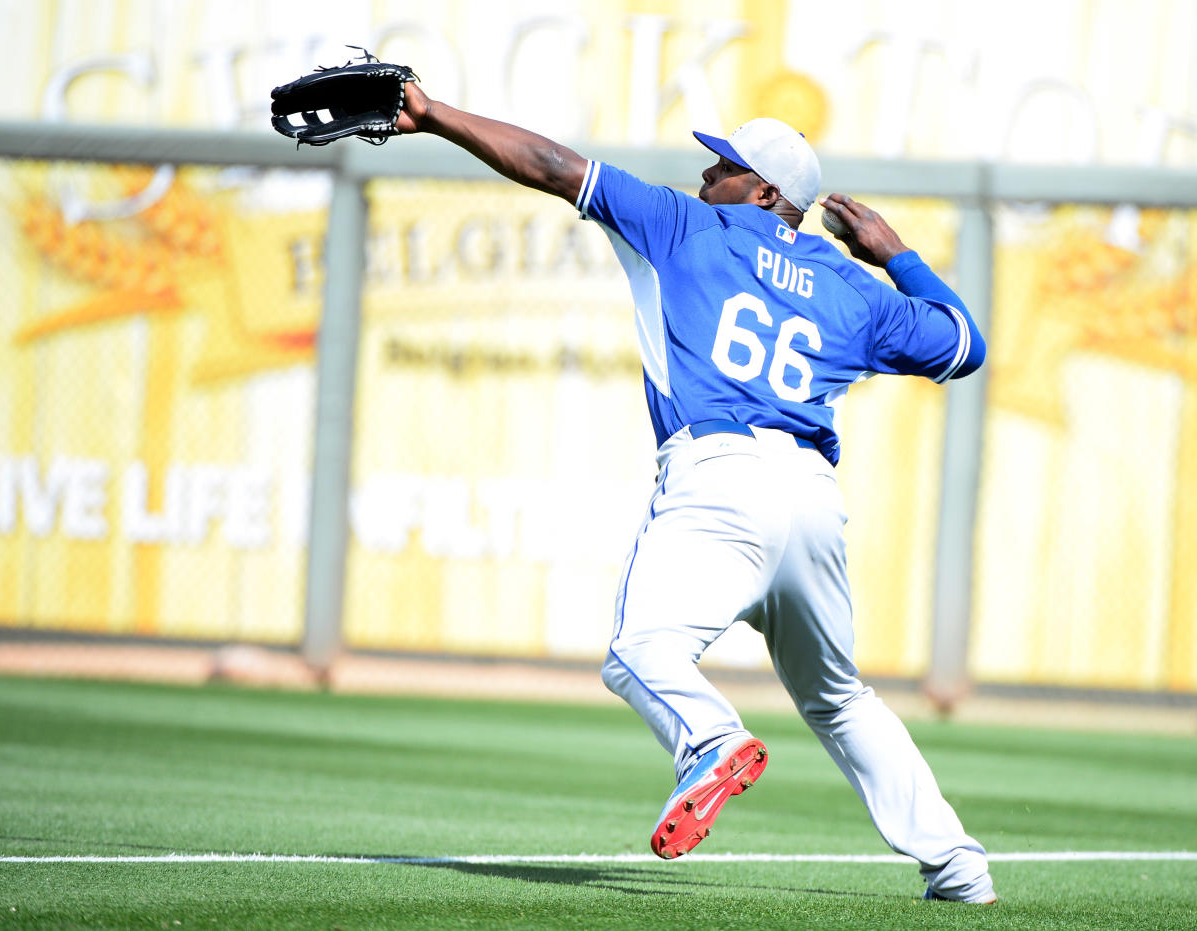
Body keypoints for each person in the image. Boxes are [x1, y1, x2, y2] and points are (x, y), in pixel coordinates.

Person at [393, 83, 996, 904]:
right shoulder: (854, 289)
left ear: (765, 193)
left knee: (641, 649)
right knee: (840, 697)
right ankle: (960, 869)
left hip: (721, 478)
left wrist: (434, 117)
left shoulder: (685, 224)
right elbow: (964, 344)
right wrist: (894, 251)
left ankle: (710, 738)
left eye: (724, 165)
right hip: (812, 498)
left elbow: (550, 164)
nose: (705, 173)